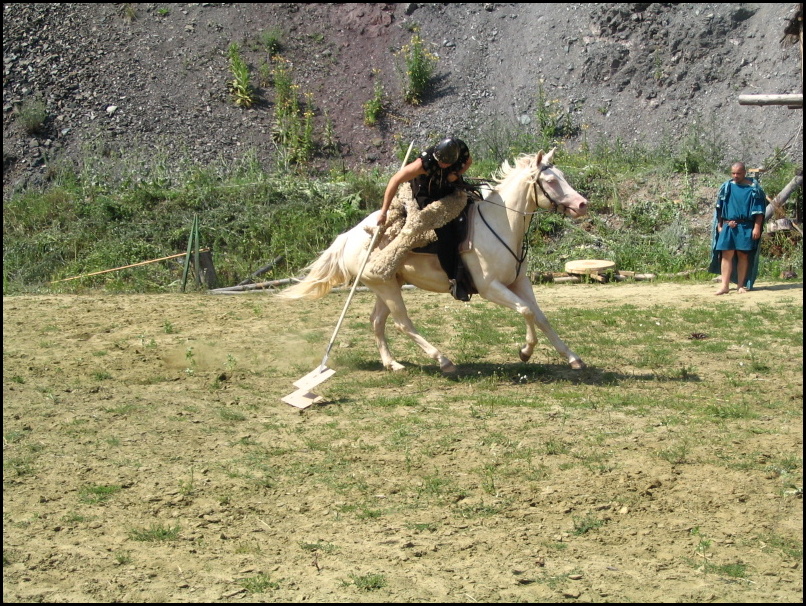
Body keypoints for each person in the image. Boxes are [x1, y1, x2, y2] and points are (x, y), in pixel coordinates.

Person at [371, 137, 474, 299]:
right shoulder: (423, 163)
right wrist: (383, 212)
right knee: (445, 233)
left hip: (447, 186)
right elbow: (395, 180)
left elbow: (468, 161)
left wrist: (456, 174)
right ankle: (454, 280)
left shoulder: (461, 150)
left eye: (446, 163)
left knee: (473, 206)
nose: (441, 165)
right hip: (425, 193)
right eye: (439, 162)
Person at [708, 162, 766, 295]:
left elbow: (759, 212)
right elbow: (720, 208)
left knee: (743, 255)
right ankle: (724, 286)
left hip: (745, 226)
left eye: (738, 173)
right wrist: (720, 225)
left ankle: (741, 285)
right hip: (728, 226)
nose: (735, 176)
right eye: (733, 173)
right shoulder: (727, 187)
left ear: (744, 172)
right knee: (726, 255)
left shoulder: (754, 189)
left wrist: (757, 227)